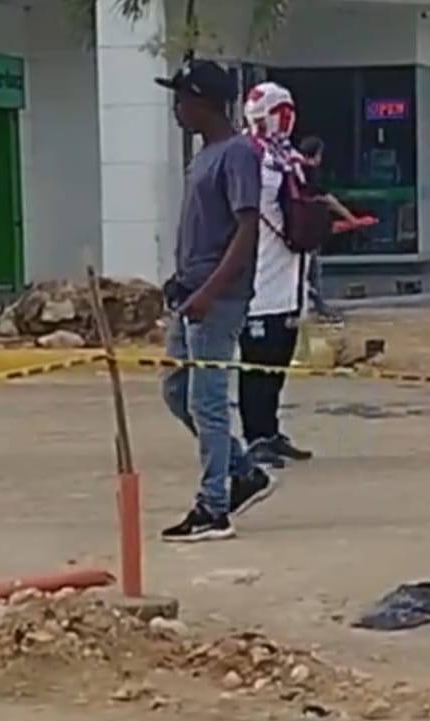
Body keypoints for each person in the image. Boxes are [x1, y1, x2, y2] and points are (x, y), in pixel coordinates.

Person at [155, 59, 276, 543]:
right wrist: (182, 281)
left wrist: (209, 292)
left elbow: (246, 232)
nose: (177, 107)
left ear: (204, 101)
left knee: (207, 402)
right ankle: (242, 471)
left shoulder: (238, 155)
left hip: (217, 299)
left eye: (182, 98)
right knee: (176, 391)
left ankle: (213, 508)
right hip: (192, 294)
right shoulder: (203, 156)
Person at [237, 81, 315, 469]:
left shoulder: (286, 158)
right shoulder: (249, 157)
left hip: (290, 279)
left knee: (280, 359)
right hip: (258, 281)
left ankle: (270, 430)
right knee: (257, 363)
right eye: (281, 112)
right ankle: (255, 436)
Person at [298, 136, 361, 322]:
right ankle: (318, 305)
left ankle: (316, 303)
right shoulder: (308, 172)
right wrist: (352, 219)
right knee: (312, 268)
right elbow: (327, 199)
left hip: (298, 228)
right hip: (306, 229)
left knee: (308, 268)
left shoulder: (294, 169)